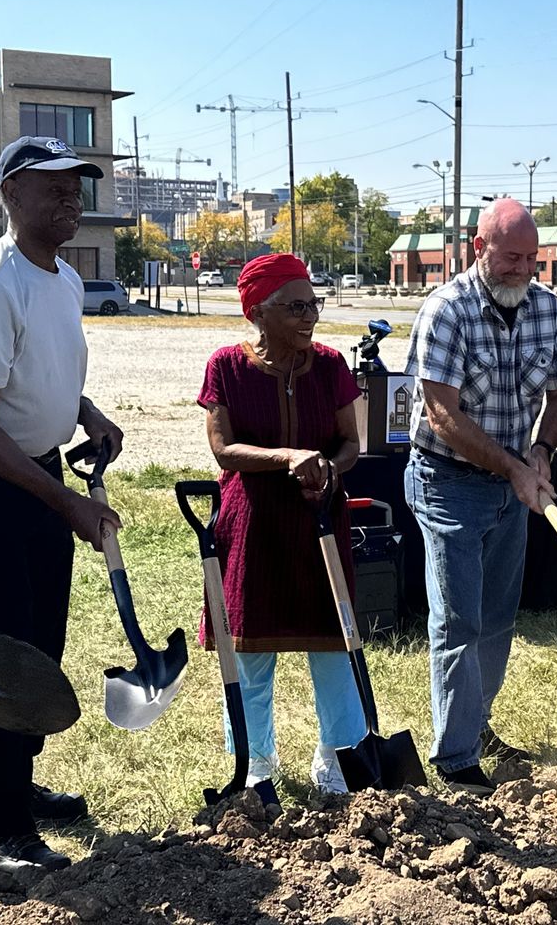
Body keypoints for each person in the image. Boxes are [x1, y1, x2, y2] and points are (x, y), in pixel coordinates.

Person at [0, 136, 124, 872]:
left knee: (41, 643)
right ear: (11, 194)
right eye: (53, 186)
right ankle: (0, 830)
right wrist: (65, 503)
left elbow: (34, 373)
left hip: (33, 473)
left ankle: (11, 784)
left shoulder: (61, 280)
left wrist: (84, 411)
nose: (71, 198)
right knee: (3, 656)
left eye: (77, 186)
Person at [401, 196, 557, 792]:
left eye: (532, 258)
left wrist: (540, 454)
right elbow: (443, 416)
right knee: (458, 618)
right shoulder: (446, 311)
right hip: (448, 481)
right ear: (479, 248)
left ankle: (475, 724)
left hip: (513, 485)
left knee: (500, 616)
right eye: (511, 257)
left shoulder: (547, 310)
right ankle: (454, 759)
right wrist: (513, 467)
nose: (523, 269)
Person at [197, 253, 364, 794]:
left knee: (334, 643)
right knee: (250, 647)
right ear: (258, 311)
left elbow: (350, 444)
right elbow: (223, 450)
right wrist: (288, 457)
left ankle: (340, 756)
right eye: (296, 307)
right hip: (254, 522)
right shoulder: (226, 366)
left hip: (319, 515)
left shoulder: (332, 365)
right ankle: (255, 762)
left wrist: (327, 470)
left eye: (313, 304)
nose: (309, 316)